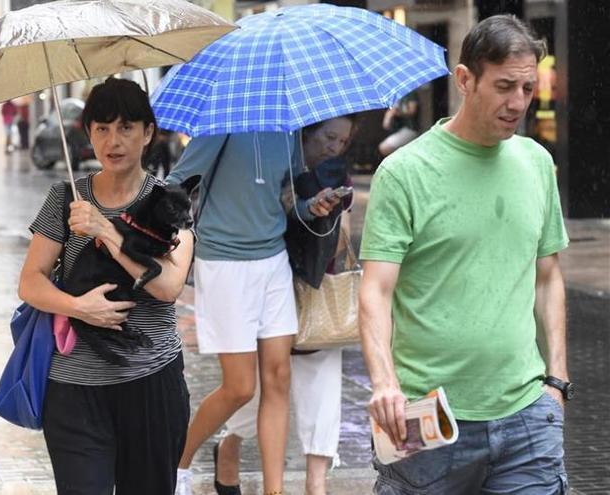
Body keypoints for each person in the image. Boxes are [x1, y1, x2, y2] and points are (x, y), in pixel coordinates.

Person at [359, 15, 569, 494]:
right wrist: (384, 383)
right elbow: (376, 289)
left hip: (527, 420)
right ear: (465, 80)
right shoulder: (405, 173)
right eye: (503, 87)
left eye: (527, 87)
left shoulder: (537, 163)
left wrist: (556, 379)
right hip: (430, 421)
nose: (517, 102)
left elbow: (548, 277)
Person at [18, 77, 194, 495]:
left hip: (150, 384)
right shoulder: (66, 199)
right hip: (75, 391)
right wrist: (79, 307)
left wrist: (108, 233)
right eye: (102, 128)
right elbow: (29, 283)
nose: (113, 141)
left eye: (126, 128)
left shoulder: (169, 201)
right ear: (88, 133)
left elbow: (169, 287)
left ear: (148, 133)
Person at [167, 123, 342, 495]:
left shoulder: (287, 129)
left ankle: (273, 490)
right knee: (241, 387)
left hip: (273, 261)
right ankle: (176, 461)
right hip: (225, 265)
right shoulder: (221, 126)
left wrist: (312, 206)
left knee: (278, 378)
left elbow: (287, 196)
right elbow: (177, 181)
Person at [212, 116, 358, 495]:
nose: (334, 147)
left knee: (323, 381)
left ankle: (316, 483)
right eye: (329, 137)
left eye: (342, 141)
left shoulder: (335, 176)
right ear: (306, 133)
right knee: (256, 389)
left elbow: (342, 241)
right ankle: (229, 448)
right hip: (268, 281)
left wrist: (329, 211)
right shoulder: (273, 156)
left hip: (316, 292)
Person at [377, 91, 419, 157]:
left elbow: (412, 111)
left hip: (410, 128)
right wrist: (389, 115)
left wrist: (396, 113)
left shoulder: (410, 93)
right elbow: (386, 125)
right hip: (396, 130)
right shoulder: (393, 97)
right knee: (383, 148)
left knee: (385, 147)